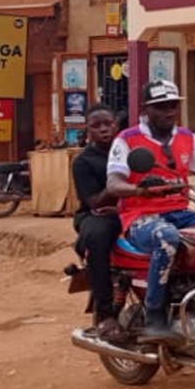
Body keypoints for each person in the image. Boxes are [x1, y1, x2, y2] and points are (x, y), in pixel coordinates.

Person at [106, 80, 195, 345]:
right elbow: (114, 183)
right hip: (140, 217)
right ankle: (155, 317)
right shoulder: (127, 139)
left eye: (173, 105)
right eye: (161, 107)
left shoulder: (186, 137)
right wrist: (140, 189)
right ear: (146, 110)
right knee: (167, 237)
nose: (169, 112)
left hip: (180, 211)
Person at [72, 104, 124, 342]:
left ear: (116, 124)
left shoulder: (130, 150)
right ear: (88, 130)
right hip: (97, 214)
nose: (104, 129)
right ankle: (105, 314)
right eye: (97, 126)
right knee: (97, 237)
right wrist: (114, 188)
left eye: (108, 124)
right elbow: (93, 202)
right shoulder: (83, 162)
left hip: (133, 209)